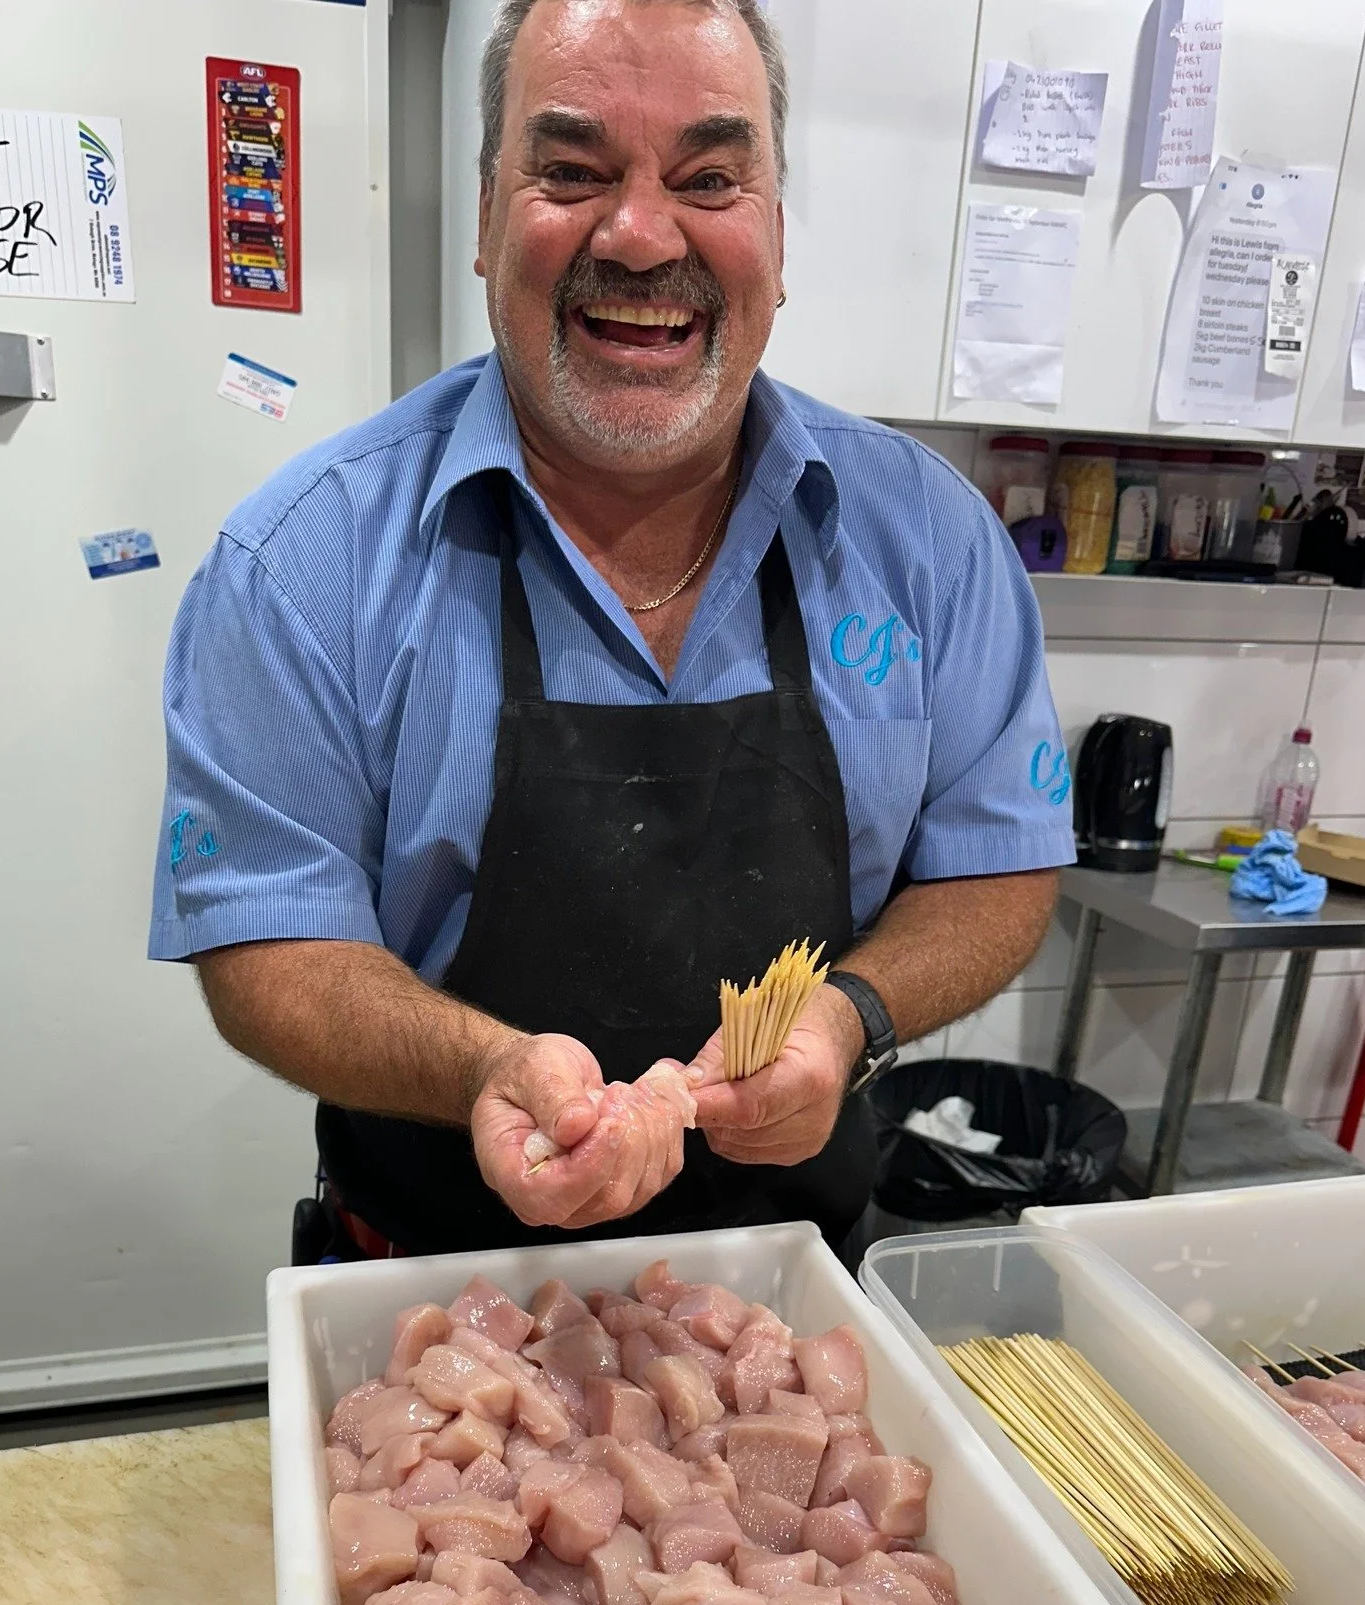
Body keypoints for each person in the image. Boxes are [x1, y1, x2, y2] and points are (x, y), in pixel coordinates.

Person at [150, 0, 1075, 1258]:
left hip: (796, 1306)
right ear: (484, 217)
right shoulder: (306, 561)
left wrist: (851, 1016)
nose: (641, 237)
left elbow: (998, 863)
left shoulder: (929, 541)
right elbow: (270, 944)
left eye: (709, 178)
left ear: (777, 234)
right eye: (573, 173)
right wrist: (484, 1068)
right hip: (428, 1308)